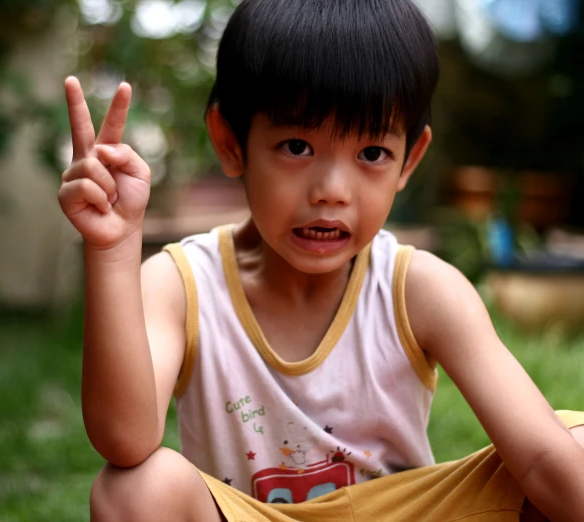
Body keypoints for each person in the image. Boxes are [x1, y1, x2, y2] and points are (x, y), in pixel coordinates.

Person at [58, 0, 584, 520]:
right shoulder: (182, 285)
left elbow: (540, 457)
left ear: (410, 160)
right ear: (230, 141)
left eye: (372, 154)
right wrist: (113, 250)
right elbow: (124, 442)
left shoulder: (421, 289)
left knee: (574, 443)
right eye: (296, 146)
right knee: (133, 490)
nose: (332, 191)